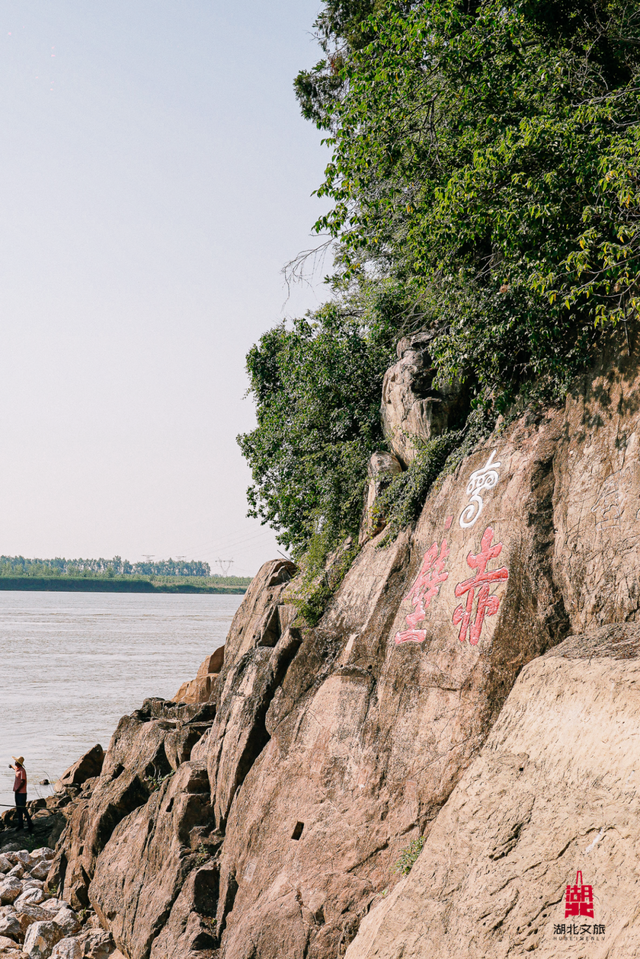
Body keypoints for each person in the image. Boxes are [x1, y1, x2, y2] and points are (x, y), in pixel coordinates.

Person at [9, 756, 33, 833]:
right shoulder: (17, 769)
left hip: (21, 793)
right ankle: (20, 825)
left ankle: (30, 824)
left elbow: (23, 781)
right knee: (19, 809)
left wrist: (18, 789)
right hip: (17, 792)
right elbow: (14, 768)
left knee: (23, 809)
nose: (15, 763)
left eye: (16, 762)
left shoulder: (22, 771)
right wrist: (11, 766)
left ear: (19, 763)